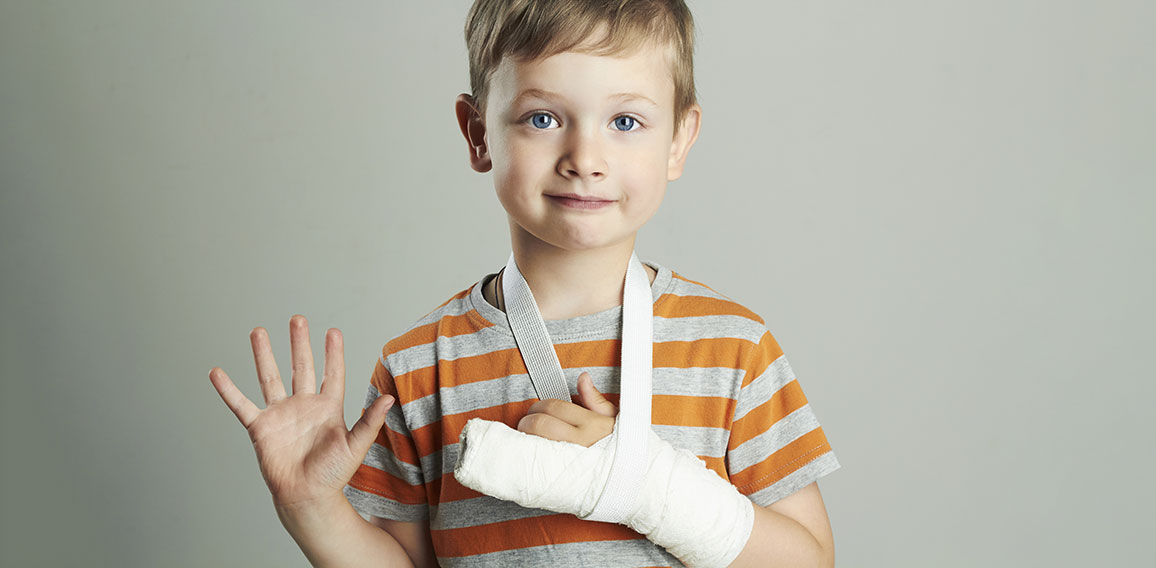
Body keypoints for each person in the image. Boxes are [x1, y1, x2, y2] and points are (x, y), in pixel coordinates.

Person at [209, 1, 840, 566]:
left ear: (679, 139)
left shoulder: (732, 350)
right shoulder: (420, 367)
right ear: (478, 132)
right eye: (542, 118)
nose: (584, 157)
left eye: (625, 122)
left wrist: (649, 486)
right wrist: (310, 506)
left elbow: (810, 561)